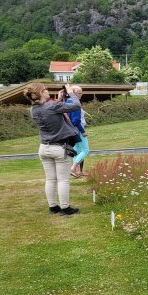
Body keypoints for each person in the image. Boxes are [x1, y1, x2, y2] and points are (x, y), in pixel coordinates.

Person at [25, 83, 81, 215]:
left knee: (50, 179)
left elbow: (50, 109)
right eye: (45, 90)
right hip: (59, 148)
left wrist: (60, 99)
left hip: (44, 148)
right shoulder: (53, 106)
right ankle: (65, 208)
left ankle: (53, 207)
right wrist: (71, 92)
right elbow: (76, 106)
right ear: (41, 93)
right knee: (63, 180)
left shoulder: (33, 109)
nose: (47, 91)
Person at [68, 85, 89, 178]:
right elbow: (76, 121)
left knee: (76, 150)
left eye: (81, 92)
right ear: (72, 93)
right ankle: (73, 168)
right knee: (85, 150)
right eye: (78, 93)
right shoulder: (75, 104)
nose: (81, 95)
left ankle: (77, 171)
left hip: (71, 130)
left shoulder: (67, 102)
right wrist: (82, 131)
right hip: (77, 130)